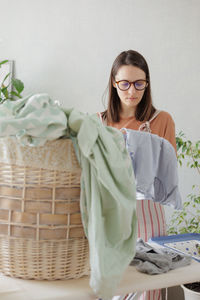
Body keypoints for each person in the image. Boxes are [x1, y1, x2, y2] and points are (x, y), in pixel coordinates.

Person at [98, 50, 177, 300]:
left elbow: (168, 175)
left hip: (149, 216)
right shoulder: (98, 124)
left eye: (139, 83)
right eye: (124, 83)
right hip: (111, 216)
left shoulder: (161, 120)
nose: (132, 91)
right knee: (113, 285)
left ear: (147, 83)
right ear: (113, 82)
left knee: (148, 285)